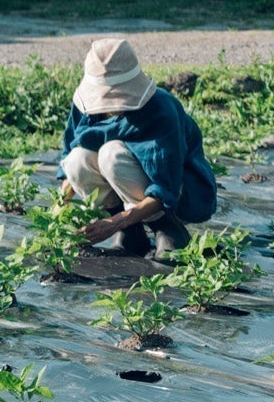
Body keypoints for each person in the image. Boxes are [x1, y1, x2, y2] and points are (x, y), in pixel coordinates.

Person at [58, 37, 217, 259]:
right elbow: (70, 164)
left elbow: (166, 188)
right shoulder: (85, 109)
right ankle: (131, 235)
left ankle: (168, 230)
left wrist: (113, 222)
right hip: (129, 198)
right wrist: (57, 214)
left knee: (111, 154)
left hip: (181, 193)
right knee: (77, 159)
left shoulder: (162, 110)